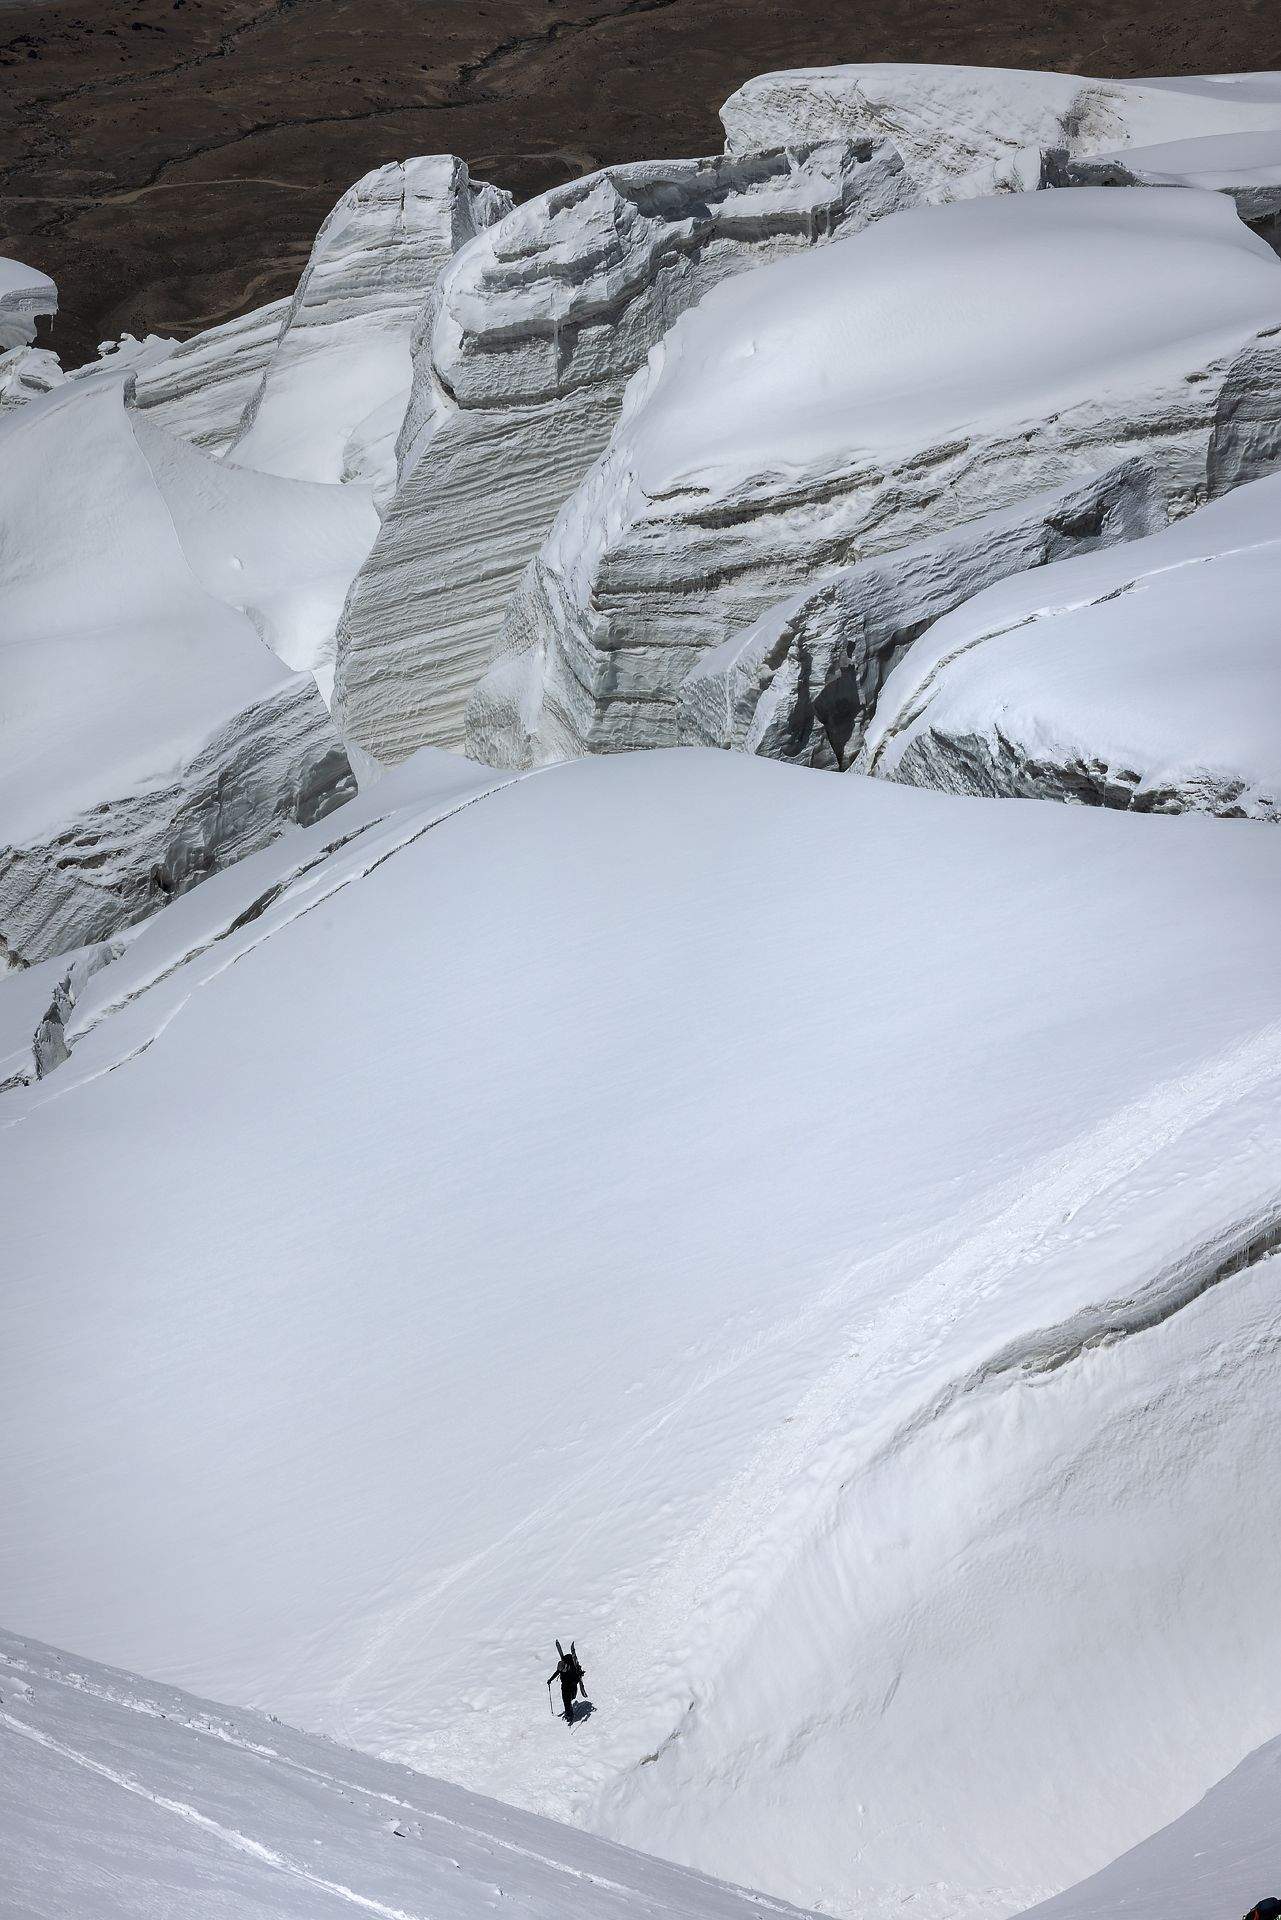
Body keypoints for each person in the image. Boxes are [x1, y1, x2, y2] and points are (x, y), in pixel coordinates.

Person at [548, 1639, 585, 1723]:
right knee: (566, 1701)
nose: (563, 1671)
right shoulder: (561, 1668)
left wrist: (579, 1675)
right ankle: (569, 1715)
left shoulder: (572, 1669)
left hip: (572, 1686)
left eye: (563, 1670)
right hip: (564, 1687)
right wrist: (550, 1679)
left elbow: (576, 1679)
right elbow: (557, 1672)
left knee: (572, 1697)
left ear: (565, 1666)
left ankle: (569, 1711)